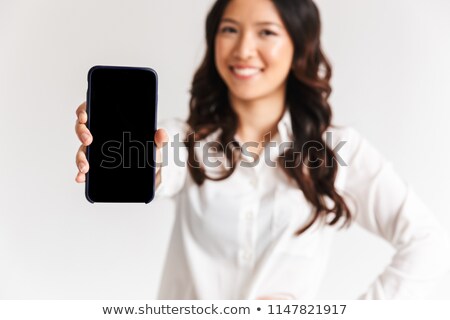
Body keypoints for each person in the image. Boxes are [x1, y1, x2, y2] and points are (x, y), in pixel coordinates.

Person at [74, 0, 450, 299]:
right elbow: (158, 165)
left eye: (266, 32)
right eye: (229, 30)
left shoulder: (338, 149)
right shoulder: (185, 139)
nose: (243, 49)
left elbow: (426, 242)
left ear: (300, 46)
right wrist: (125, 155)